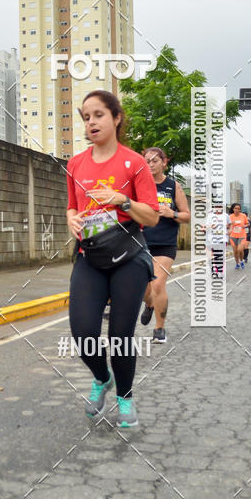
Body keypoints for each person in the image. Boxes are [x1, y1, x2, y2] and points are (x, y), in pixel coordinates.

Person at [67, 90, 159, 429]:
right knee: (83, 332)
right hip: (90, 256)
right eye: (86, 116)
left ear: (116, 118)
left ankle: (125, 398)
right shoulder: (76, 163)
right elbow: (72, 204)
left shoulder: (133, 162)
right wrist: (71, 218)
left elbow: (150, 217)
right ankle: (102, 377)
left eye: (98, 115)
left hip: (127, 255)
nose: (91, 122)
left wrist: (122, 201)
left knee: (120, 334)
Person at [138, 148, 190, 343]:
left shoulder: (172, 186)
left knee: (158, 284)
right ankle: (150, 305)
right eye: (147, 161)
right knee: (143, 290)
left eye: (154, 161)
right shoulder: (139, 184)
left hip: (164, 244)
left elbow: (186, 215)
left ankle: (159, 329)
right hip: (141, 243)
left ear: (164, 162)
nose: (150, 164)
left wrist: (172, 214)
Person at [204, 204, 226, 277]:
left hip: (219, 240)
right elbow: (204, 229)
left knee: (218, 256)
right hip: (209, 240)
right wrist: (210, 227)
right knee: (210, 256)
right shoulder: (208, 219)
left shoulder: (223, 218)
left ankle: (219, 271)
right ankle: (212, 269)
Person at [228, 203, 249, 270]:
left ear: (240, 209)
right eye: (235, 208)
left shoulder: (243, 216)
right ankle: (237, 263)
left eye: (238, 209)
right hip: (233, 236)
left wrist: (244, 226)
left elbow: (247, 224)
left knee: (240, 249)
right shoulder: (230, 216)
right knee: (235, 251)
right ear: (233, 209)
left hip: (242, 235)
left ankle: (241, 261)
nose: (237, 210)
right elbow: (227, 225)